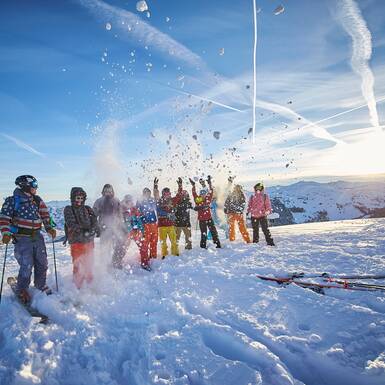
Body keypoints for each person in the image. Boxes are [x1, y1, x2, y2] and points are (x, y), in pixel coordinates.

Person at [0, 175, 56, 303]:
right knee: (26, 265)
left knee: (42, 262)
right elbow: (4, 218)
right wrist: (6, 232)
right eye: (34, 185)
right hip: (22, 238)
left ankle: (40, 284)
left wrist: (49, 228)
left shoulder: (37, 200)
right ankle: (22, 288)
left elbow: (45, 215)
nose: (36, 187)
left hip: (37, 236)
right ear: (25, 186)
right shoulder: (12, 201)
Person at [64, 187, 99, 289]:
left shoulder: (88, 208)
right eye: (77, 198)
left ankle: (89, 283)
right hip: (77, 241)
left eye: (81, 198)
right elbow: (70, 223)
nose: (79, 200)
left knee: (89, 262)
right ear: (73, 198)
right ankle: (77, 285)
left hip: (89, 241)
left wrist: (95, 229)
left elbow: (94, 220)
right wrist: (84, 231)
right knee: (78, 263)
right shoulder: (69, 209)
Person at [93, 184, 123, 264]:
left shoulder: (116, 200)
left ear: (112, 191)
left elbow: (120, 214)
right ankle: (104, 264)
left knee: (118, 245)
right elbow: (94, 215)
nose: (108, 193)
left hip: (115, 227)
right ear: (103, 192)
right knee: (105, 247)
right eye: (106, 191)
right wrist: (96, 226)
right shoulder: (99, 201)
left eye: (109, 191)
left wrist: (121, 225)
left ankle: (116, 262)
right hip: (104, 228)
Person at [190, 175, 221, 249]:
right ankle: (203, 247)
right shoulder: (198, 200)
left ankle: (217, 245)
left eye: (204, 194)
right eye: (201, 194)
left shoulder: (208, 198)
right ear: (200, 194)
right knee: (203, 233)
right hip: (201, 220)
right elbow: (194, 194)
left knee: (214, 232)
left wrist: (210, 183)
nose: (203, 195)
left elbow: (211, 191)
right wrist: (193, 186)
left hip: (209, 218)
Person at [154, 178, 183, 258]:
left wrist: (180, 186)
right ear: (163, 194)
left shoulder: (172, 200)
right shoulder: (160, 201)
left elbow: (179, 196)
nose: (167, 195)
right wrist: (155, 187)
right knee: (163, 242)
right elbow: (156, 195)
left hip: (170, 225)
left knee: (173, 240)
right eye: (165, 194)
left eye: (168, 194)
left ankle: (175, 252)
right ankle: (164, 254)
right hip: (162, 225)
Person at [120, 194, 149, 270]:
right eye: (127, 201)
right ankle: (118, 262)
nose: (129, 203)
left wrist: (142, 231)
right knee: (123, 248)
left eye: (130, 201)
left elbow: (139, 221)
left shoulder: (134, 210)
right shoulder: (122, 210)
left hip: (136, 231)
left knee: (143, 246)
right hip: (127, 233)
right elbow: (120, 222)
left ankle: (145, 263)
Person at [136, 179, 159, 260]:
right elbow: (137, 213)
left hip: (154, 224)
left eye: (149, 193)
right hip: (145, 225)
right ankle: (145, 259)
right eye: (146, 193)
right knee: (145, 242)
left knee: (154, 241)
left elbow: (157, 196)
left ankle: (153, 257)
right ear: (143, 193)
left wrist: (155, 186)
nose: (147, 194)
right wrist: (140, 223)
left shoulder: (152, 200)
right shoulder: (140, 201)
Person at [175, 186, 193, 250]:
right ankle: (175, 249)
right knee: (176, 238)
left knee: (188, 238)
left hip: (186, 223)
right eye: (183, 195)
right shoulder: (177, 202)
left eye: (185, 195)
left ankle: (188, 249)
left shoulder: (188, 203)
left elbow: (194, 207)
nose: (184, 196)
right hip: (178, 223)